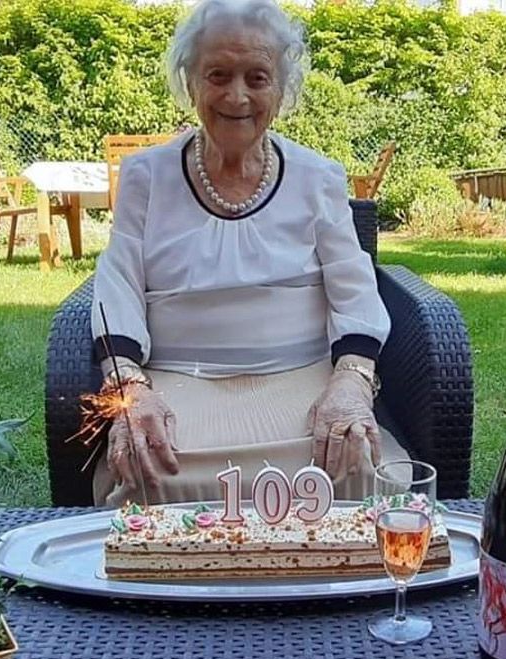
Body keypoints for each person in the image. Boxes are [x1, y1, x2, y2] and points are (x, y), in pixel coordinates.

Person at [90, 0, 409, 507]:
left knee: (358, 465)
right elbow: (118, 288)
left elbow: (355, 292)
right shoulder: (145, 177)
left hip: (304, 377)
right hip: (176, 379)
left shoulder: (318, 176)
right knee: (151, 474)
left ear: (281, 92)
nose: (237, 95)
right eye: (218, 74)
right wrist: (131, 390)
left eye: (257, 78)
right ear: (190, 82)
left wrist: (350, 383)